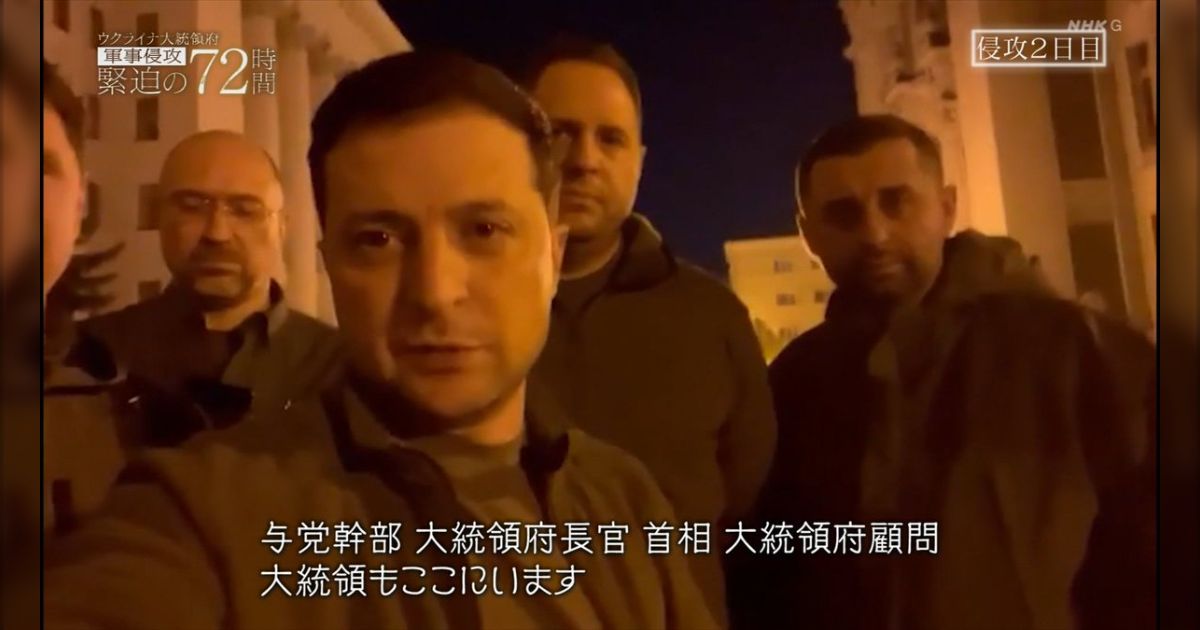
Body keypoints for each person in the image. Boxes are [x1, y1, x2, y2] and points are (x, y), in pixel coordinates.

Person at [45, 49, 717, 630]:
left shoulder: (624, 500)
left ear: (553, 253)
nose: (434, 290)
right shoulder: (206, 512)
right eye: (379, 239)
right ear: (329, 263)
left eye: (484, 231)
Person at [732, 114, 1154, 629]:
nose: (875, 233)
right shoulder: (796, 382)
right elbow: (767, 563)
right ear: (809, 235)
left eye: (897, 202)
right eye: (844, 213)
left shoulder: (1075, 350)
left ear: (947, 207)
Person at [521, 35, 776, 619]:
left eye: (610, 138)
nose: (585, 159)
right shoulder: (456, 313)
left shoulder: (711, 316)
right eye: (560, 132)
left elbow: (745, 501)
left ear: (639, 160)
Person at [43, 131, 341, 528]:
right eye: (192, 206)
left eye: (245, 210)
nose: (217, 232)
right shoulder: (89, 356)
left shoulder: (340, 367)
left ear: (283, 227)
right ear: (156, 216)